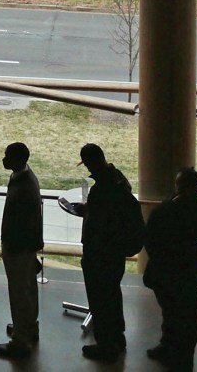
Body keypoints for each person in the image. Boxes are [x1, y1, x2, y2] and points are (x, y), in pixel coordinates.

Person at [143, 167, 197, 371]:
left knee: (174, 311)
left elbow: (154, 235)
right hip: (188, 268)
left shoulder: (171, 208)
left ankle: (173, 348)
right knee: (184, 312)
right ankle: (179, 352)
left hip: (170, 268)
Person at [73, 143, 131, 362]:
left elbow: (99, 224)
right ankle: (118, 337)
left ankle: (106, 345)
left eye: (87, 163)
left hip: (99, 255)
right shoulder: (119, 179)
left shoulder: (100, 190)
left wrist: (86, 212)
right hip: (115, 253)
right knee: (113, 296)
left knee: (100, 299)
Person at [0, 142, 43, 359]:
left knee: (19, 292)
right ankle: (28, 327)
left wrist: (12, 247)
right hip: (24, 247)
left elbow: (21, 222)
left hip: (18, 248)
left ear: (17, 160)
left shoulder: (23, 186)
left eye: (7, 156)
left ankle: (20, 340)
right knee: (28, 289)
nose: (3, 159)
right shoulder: (26, 179)